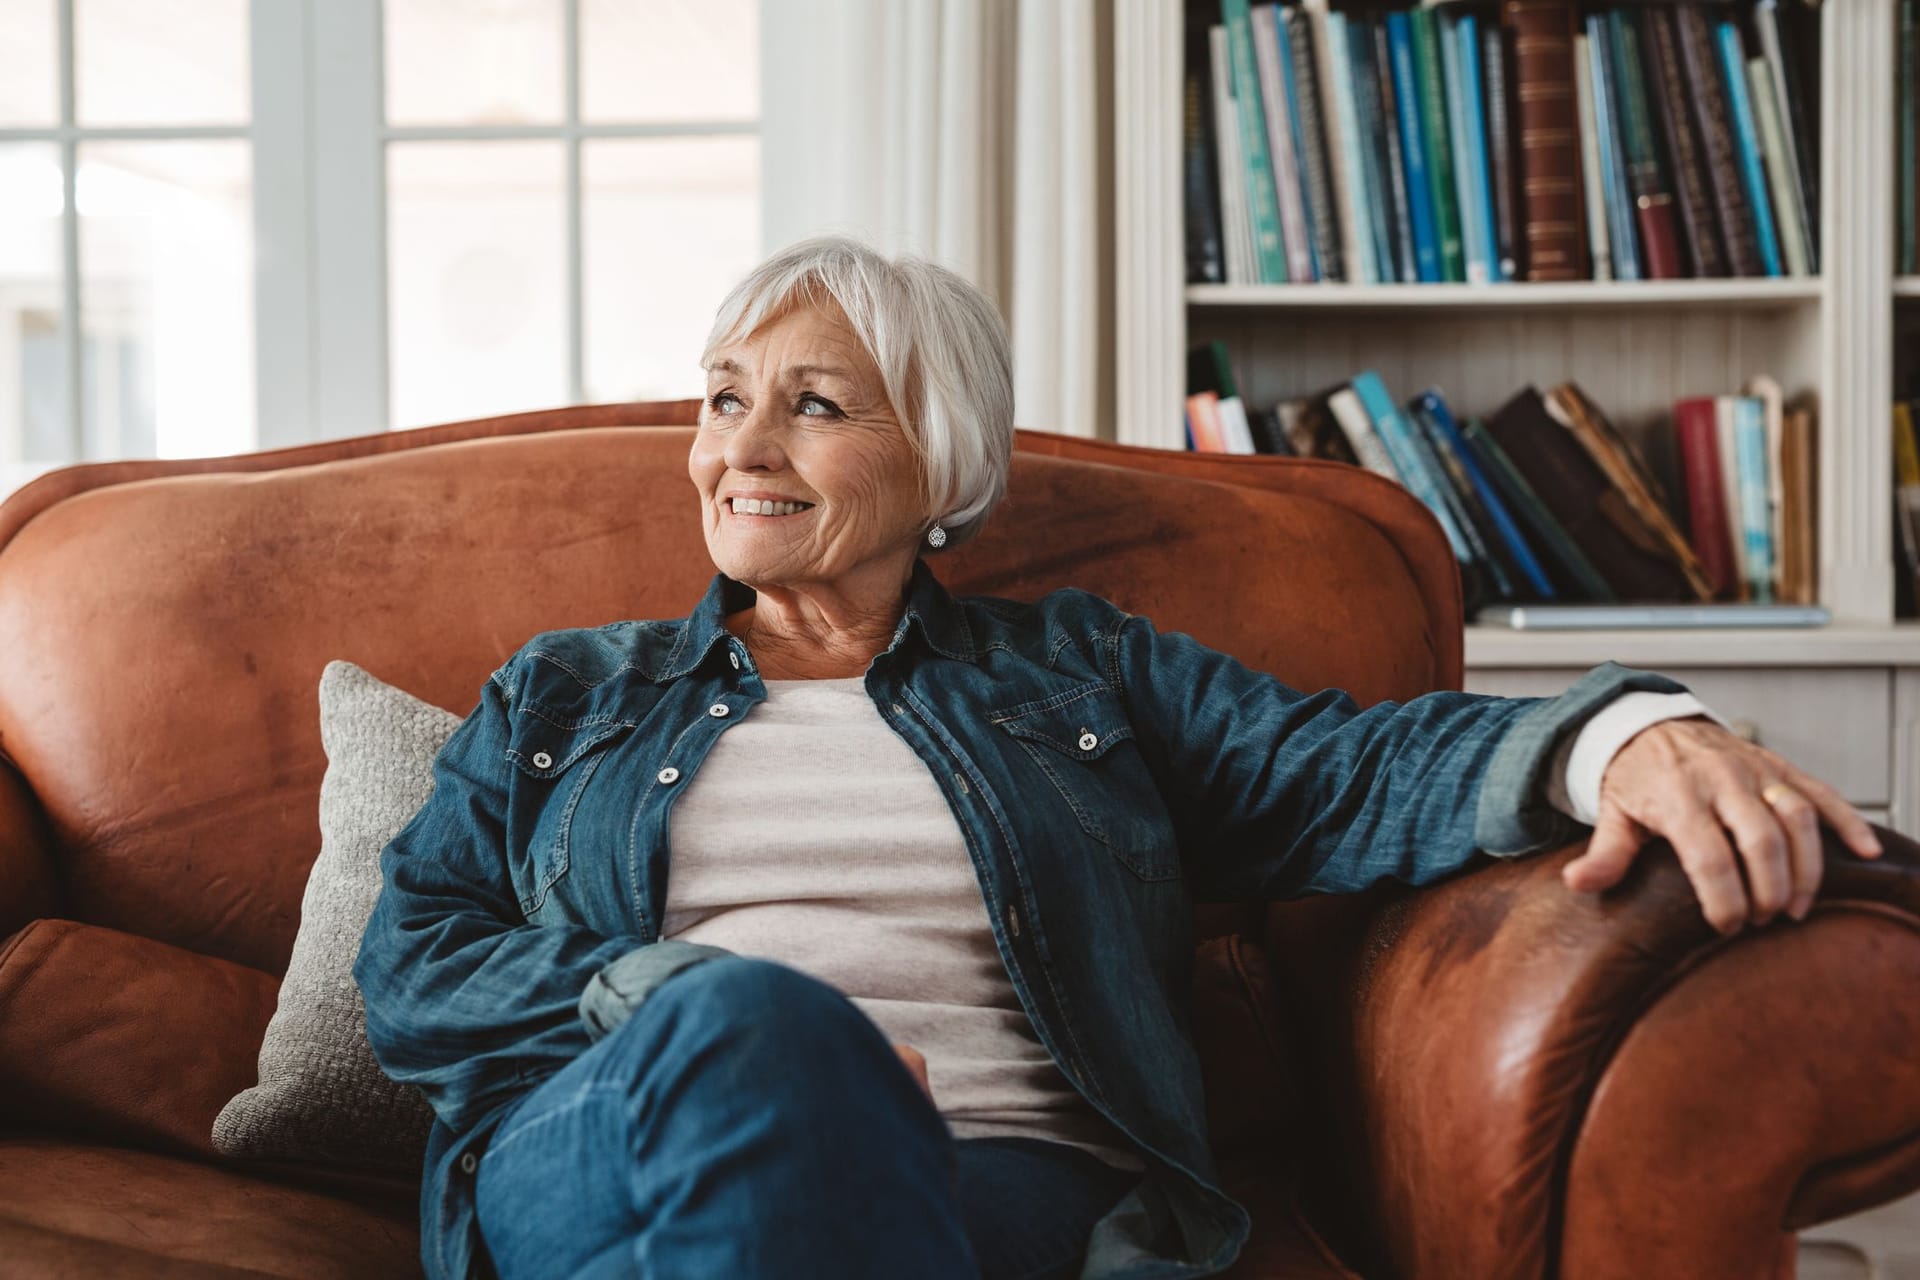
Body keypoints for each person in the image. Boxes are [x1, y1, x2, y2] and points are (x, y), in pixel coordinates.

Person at [352, 235, 1883, 1280]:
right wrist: (673, 995)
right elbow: (414, 961)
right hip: (615, 1132)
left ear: (940, 457)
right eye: (725, 399)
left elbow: (1345, 768)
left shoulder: (1076, 675)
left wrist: (1627, 731)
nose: (740, 447)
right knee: (761, 1037)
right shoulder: (571, 693)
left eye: (812, 407)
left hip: (997, 1169)